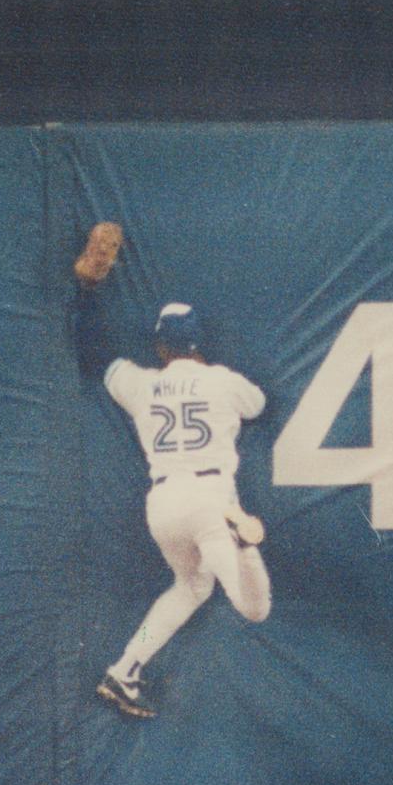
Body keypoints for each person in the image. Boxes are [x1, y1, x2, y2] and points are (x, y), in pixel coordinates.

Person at [84, 291, 273, 719]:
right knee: (253, 607)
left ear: (160, 347)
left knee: (192, 586)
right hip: (213, 502)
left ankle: (124, 670)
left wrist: (88, 291)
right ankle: (244, 544)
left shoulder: (142, 384)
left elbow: (104, 363)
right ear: (199, 344)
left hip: (164, 503)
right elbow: (259, 405)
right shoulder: (222, 379)